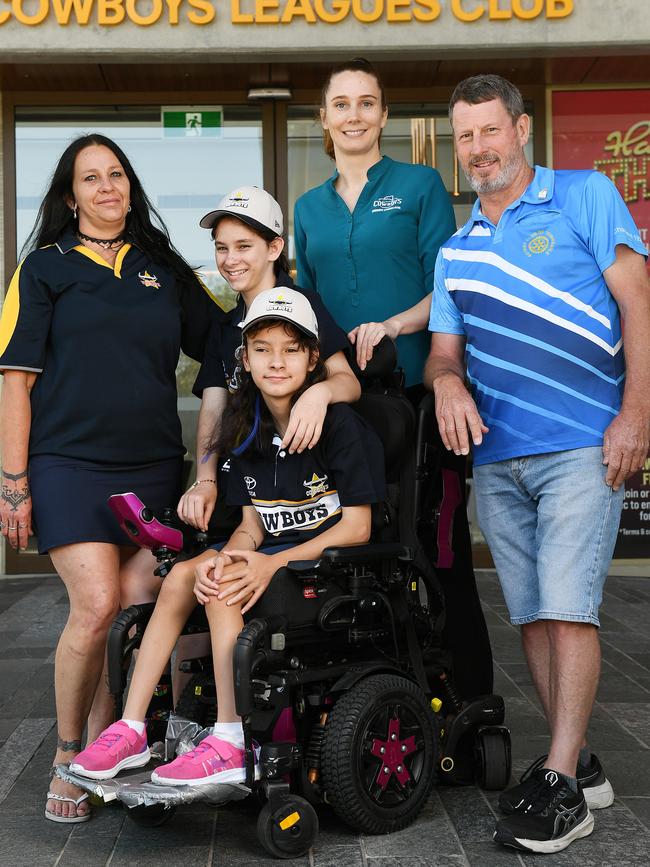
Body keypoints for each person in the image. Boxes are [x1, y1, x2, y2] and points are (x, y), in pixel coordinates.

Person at [426, 74, 650, 854]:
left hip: (585, 444)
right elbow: (443, 352)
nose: (479, 148)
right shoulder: (456, 250)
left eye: (491, 130)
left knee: (568, 606)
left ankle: (559, 781)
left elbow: (638, 303)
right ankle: (579, 760)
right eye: (465, 136)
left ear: (521, 129)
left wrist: (638, 413)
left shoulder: (585, 196)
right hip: (499, 459)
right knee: (529, 613)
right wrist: (447, 379)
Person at [69, 288, 386, 786]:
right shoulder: (247, 430)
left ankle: (230, 739)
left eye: (290, 349)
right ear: (245, 359)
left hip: (329, 571)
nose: (276, 362)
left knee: (222, 589)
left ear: (312, 359)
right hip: (272, 560)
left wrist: (264, 565)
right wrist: (234, 554)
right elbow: (252, 525)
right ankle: (129, 728)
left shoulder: (340, 426)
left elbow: (358, 527)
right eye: (262, 350)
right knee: (183, 577)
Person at [0, 134, 221, 822]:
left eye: (116, 175)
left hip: (153, 465)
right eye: (91, 179)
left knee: (131, 603)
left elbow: (222, 341)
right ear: (71, 196)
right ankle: (69, 753)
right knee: (94, 604)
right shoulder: (43, 268)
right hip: (67, 463)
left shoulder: (161, 266)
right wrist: (13, 480)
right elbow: (15, 379)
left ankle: (107, 744)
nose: (107, 188)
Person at [294, 57, 493, 700]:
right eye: (342, 104)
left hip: (418, 394)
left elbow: (450, 287)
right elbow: (307, 306)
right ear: (323, 118)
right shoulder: (309, 207)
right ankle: (375, 697)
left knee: (438, 550)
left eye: (367, 103)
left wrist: (392, 324)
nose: (354, 115)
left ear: (384, 114)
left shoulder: (420, 185)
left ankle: (467, 699)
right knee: (356, 549)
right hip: (343, 407)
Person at [176, 185, 360, 536]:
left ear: (274, 247)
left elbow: (347, 382)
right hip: (242, 480)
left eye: (244, 246)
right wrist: (205, 479)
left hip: (300, 489)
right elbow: (214, 410)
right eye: (222, 248)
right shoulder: (225, 327)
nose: (231, 260)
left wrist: (318, 394)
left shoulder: (305, 306)